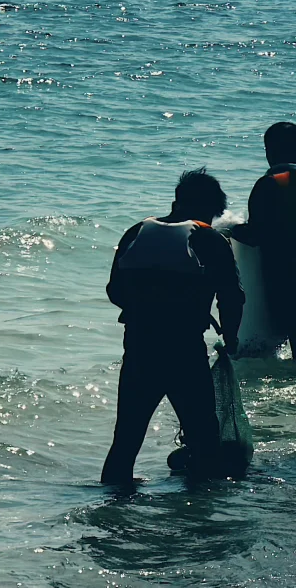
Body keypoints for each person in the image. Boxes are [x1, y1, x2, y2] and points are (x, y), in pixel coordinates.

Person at [100, 168, 244, 484]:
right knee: (204, 439)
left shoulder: (136, 232)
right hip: (184, 351)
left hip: (139, 347)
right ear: (210, 209)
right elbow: (232, 297)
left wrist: (147, 311)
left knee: (126, 439)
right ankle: (200, 508)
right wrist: (231, 338)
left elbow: (114, 290)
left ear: (176, 202)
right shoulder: (209, 238)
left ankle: (113, 503)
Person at [231, 121, 296, 363]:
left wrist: (228, 230)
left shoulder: (270, 184)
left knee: (295, 348)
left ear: (269, 151)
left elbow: (256, 235)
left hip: (287, 279)